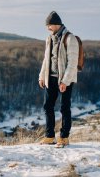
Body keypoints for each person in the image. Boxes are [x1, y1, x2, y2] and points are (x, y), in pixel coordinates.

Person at [38, 11, 79, 147]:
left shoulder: (70, 38)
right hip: (50, 78)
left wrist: (65, 81)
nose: (47, 28)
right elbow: (46, 59)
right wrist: (42, 76)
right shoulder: (49, 38)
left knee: (64, 107)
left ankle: (64, 137)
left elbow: (72, 63)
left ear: (56, 24)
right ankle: (49, 136)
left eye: (49, 25)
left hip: (65, 80)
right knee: (48, 106)